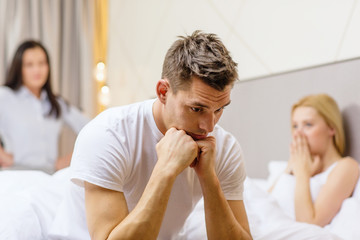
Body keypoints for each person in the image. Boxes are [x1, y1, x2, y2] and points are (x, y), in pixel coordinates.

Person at [49, 31, 252, 240]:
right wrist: (165, 170)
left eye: (219, 110)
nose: (208, 127)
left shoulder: (225, 147)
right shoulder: (107, 134)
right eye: (196, 109)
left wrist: (209, 179)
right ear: (163, 92)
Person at [269, 93, 359, 227]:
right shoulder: (298, 165)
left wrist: (302, 174)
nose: (298, 134)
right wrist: (291, 166)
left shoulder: (346, 166)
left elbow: (310, 224)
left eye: (308, 124)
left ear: (331, 128)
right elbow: (264, 202)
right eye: (295, 126)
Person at [0, 40, 89, 174]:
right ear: (19, 69)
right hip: (16, 174)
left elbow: (93, 128)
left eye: (42, 63)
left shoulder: (57, 103)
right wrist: (2, 155)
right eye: (29, 65)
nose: (37, 70)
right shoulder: (5, 96)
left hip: (49, 176)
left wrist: (71, 158)